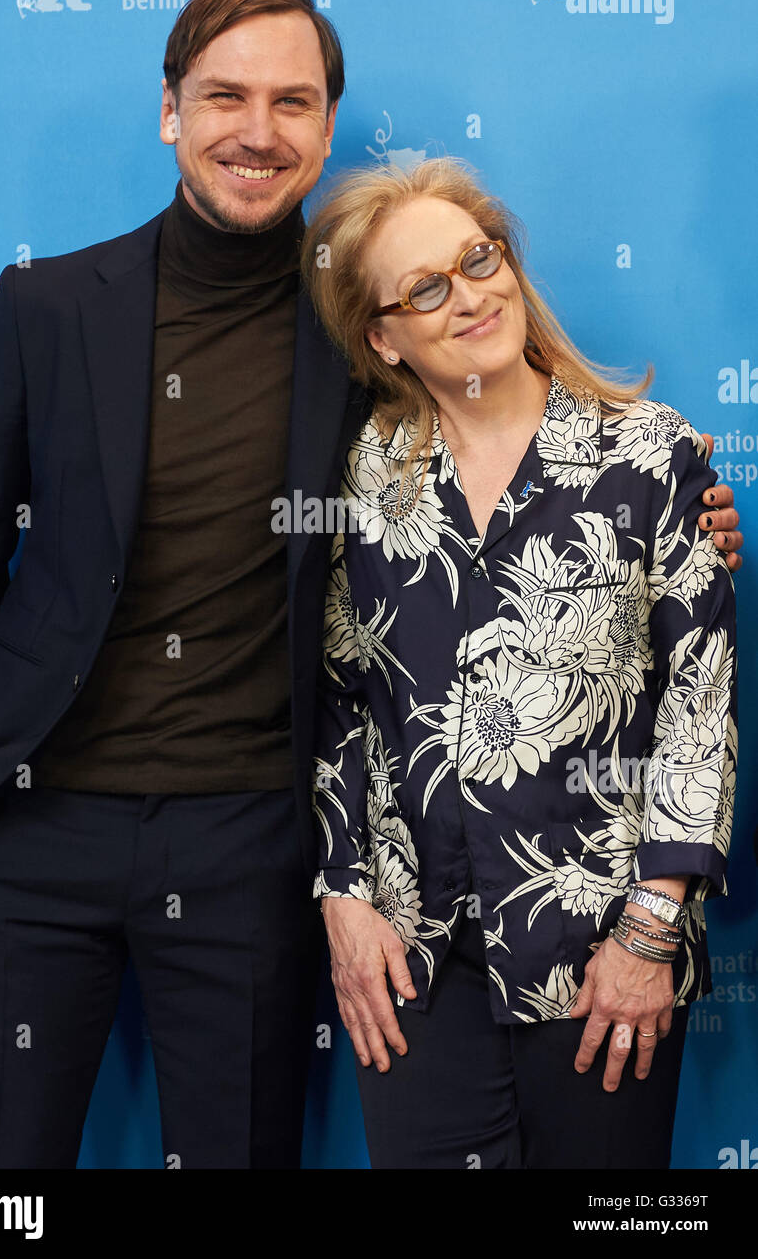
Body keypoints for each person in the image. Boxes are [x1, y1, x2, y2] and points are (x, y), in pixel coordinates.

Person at [0, 0, 740, 1171]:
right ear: (170, 112)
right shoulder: (47, 307)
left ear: (325, 124)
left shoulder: (358, 326)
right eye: (225, 96)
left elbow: (516, 443)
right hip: (35, 827)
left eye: (292, 100)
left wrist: (686, 511)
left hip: (250, 841)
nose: (258, 130)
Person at [302, 157, 738, 1169]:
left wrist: (649, 930)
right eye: (424, 289)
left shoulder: (650, 455)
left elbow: (696, 702)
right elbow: (334, 701)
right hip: (410, 967)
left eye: (476, 260)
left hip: (601, 957)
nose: (467, 297)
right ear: (382, 337)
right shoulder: (357, 480)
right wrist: (342, 894)